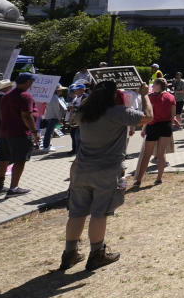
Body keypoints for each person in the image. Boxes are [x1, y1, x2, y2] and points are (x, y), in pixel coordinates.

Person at [59, 80, 153, 272]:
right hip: (107, 170)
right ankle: (97, 254)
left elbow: (74, 115)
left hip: (81, 169)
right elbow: (148, 117)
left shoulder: (84, 113)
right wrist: (144, 95)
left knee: (76, 213)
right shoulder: (117, 113)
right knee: (99, 213)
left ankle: (69, 254)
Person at [0, 73, 40, 198]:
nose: (32, 84)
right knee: (20, 160)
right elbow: (26, 116)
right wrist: (34, 132)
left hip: (5, 133)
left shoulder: (6, 96)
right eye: (31, 82)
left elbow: (1, 115)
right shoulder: (25, 96)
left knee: (3, 160)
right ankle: (13, 188)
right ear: (28, 81)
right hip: (20, 133)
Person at [133, 78, 180, 187]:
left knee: (147, 154)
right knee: (161, 153)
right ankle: (159, 178)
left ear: (158, 85)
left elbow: (149, 115)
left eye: (153, 85)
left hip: (153, 126)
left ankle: (139, 179)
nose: (152, 87)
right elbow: (173, 115)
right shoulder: (171, 97)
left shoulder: (151, 98)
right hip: (166, 126)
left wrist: (143, 128)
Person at [40, 86, 67, 151]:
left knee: (49, 132)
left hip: (49, 116)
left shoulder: (51, 97)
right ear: (56, 91)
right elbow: (56, 109)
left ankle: (46, 146)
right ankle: (46, 147)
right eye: (60, 90)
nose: (61, 91)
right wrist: (59, 118)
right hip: (53, 117)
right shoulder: (55, 98)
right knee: (49, 133)